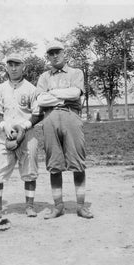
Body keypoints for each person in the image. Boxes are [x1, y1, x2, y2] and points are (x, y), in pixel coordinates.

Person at [35, 40, 93, 220]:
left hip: (71, 116)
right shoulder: (44, 76)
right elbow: (40, 101)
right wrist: (61, 96)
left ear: (64, 53)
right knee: (54, 164)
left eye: (57, 52)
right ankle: (58, 206)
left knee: (77, 161)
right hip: (50, 119)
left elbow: (75, 93)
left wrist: (52, 94)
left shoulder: (76, 72)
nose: (54, 56)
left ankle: (81, 206)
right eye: (50, 53)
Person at [0, 53, 43, 217]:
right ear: (6, 67)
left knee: (30, 171)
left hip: (26, 133)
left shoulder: (32, 89)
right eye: (10, 65)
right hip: (7, 135)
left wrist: (25, 125)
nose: (13, 68)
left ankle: (29, 206)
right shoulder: (0, 89)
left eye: (17, 64)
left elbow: (38, 113)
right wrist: (4, 126)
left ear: (23, 67)